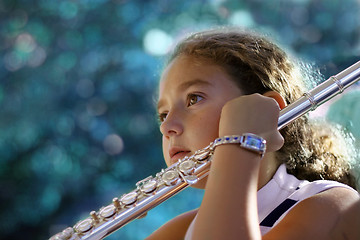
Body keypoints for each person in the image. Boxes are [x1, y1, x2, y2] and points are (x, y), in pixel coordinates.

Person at [147, 27, 360, 240]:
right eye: (163, 115)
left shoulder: (331, 204)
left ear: (270, 110)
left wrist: (240, 144)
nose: (166, 127)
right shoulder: (182, 229)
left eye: (194, 99)